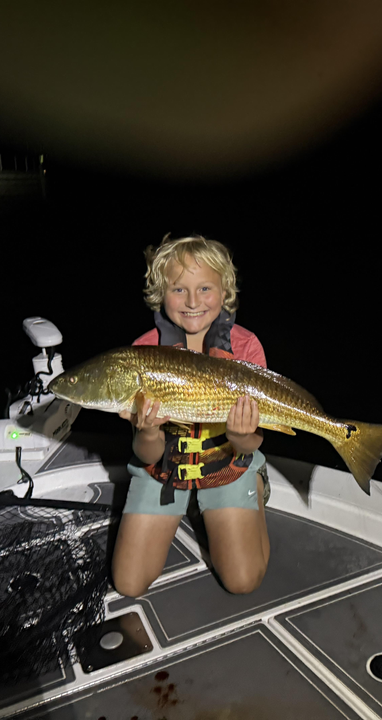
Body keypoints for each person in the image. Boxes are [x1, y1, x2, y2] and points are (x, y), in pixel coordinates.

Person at [112, 234, 270, 598]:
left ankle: (254, 491)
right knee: (129, 584)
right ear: (159, 294)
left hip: (228, 460)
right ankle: (193, 508)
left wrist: (240, 435)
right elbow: (148, 453)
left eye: (205, 288)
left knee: (242, 581)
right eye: (178, 290)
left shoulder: (245, 347)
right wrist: (149, 431)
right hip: (165, 467)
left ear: (225, 291)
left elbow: (250, 442)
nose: (193, 301)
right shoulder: (143, 353)